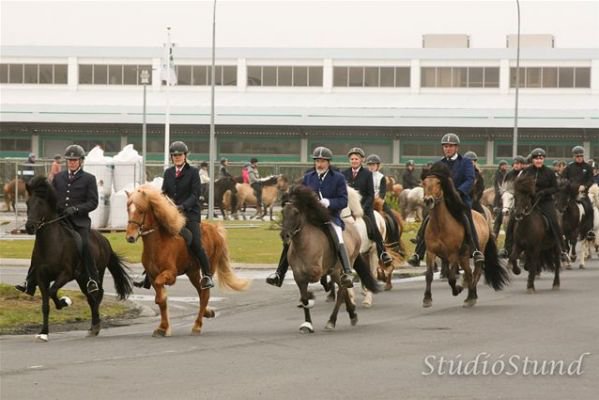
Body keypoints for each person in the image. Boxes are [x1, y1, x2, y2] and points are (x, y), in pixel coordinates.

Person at [16, 145, 100, 296]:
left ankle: (91, 280)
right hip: (60, 218)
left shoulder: (89, 179)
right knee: (40, 243)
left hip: (79, 221)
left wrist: (75, 209)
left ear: (81, 161)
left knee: (85, 244)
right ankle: (29, 280)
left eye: (75, 160)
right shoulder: (59, 177)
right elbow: (51, 197)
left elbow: (93, 202)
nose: (72, 163)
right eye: (69, 160)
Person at [266, 146, 354, 288]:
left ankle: (347, 272)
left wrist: (329, 202)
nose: (319, 164)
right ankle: (279, 274)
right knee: (289, 240)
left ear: (328, 162)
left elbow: (343, 201)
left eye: (322, 161)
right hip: (311, 218)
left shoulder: (338, 178)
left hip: (330, 216)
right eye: (317, 161)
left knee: (337, 235)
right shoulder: (308, 177)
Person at [407, 133, 485, 268]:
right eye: (445, 146)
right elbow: (433, 181)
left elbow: (469, 179)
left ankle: (475, 249)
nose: (447, 149)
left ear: (456, 148)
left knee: (466, 217)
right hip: (442, 200)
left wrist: (458, 192)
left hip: (459, 199)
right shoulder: (439, 164)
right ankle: (418, 253)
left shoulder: (465, 162)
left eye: (450, 146)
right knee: (427, 219)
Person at [163, 141, 214, 289]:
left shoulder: (193, 172)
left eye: (180, 155)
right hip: (173, 215)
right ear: (171, 157)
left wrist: (182, 206)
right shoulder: (168, 173)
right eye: (174, 155)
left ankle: (207, 275)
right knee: (157, 238)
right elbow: (164, 192)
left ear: (185, 156)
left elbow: (195, 194)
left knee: (197, 243)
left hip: (190, 214)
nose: (177, 157)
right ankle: (148, 276)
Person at [503, 148, 564, 259]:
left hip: (545, 201)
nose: (538, 161)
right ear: (532, 159)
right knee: (512, 219)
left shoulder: (549, 172)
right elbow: (519, 185)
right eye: (536, 158)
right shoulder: (526, 171)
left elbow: (555, 188)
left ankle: (562, 248)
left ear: (543, 159)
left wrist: (544, 192)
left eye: (541, 158)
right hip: (529, 201)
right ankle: (507, 248)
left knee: (554, 221)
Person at [343, 147, 393, 266]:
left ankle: (382, 253)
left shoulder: (367, 174)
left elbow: (370, 195)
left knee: (373, 227)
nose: (354, 161)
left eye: (356, 159)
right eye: (352, 159)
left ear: (361, 160)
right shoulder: (344, 173)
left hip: (365, 207)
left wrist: (361, 209)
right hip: (348, 207)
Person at [366, 154, 402, 253]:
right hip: (366, 202)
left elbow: (382, 192)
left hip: (379, 202)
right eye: (369, 165)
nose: (371, 167)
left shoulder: (381, 177)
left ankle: (395, 244)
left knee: (392, 219)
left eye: (373, 165)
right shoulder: (364, 175)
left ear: (378, 166)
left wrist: (379, 201)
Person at [563, 145, 595, 239]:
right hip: (571, 193)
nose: (579, 158)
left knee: (589, 208)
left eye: (581, 156)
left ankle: (590, 230)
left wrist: (584, 186)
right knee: (561, 207)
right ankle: (561, 228)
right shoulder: (569, 167)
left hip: (583, 193)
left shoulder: (588, 167)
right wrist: (573, 186)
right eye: (577, 156)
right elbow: (564, 179)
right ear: (573, 157)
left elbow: (591, 180)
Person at [492, 160, 509, 237]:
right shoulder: (498, 173)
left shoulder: (507, 173)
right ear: (500, 166)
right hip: (499, 188)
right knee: (497, 195)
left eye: (506, 165)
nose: (505, 167)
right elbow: (498, 182)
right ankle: (495, 206)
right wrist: (500, 190)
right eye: (503, 165)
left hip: (506, 189)